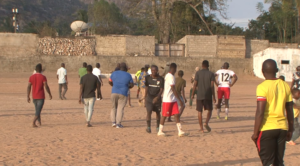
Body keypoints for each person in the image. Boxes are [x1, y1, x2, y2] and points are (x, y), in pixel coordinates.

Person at [252, 59, 294, 166]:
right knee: (279, 162)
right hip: (282, 129)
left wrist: (255, 133)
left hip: (267, 129)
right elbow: (289, 110)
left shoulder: (262, 87)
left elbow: (260, 112)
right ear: (276, 70)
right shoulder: (285, 85)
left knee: (268, 163)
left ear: (262, 71)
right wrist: (291, 129)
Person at [157, 63, 187, 137]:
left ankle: (180, 130)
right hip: (168, 99)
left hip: (172, 99)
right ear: (174, 68)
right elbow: (173, 89)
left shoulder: (169, 75)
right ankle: (160, 131)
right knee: (164, 115)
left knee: (176, 114)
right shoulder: (170, 76)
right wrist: (180, 99)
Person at [191, 60, 216, 133]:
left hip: (199, 95)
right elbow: (212, 86)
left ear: (202, 65)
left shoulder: (198, 73)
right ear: (208, 66)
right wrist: (214, 97)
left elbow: (195, 84)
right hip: (208, 95)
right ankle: (206, 122)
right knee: (210, 110)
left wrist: (192, 94)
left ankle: (201, 128)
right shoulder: (211, 74)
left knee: (199, 111)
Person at [109, 63, 134, 128]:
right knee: (120, 108)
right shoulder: (128, 75)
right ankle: (118, 124)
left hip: (114, 92)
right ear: (125, 67)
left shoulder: (114, 73)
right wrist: (127, 86)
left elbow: (110, 81)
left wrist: (114, 85)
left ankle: (113, 122)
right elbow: (132, 84)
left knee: (113, 107)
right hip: (123, 92)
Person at [144, 65, 164, 133]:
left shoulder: (161, 79)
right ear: (151, 71)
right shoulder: (147, 78)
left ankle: (158, 127)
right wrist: (145, 97)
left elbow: (161, 89)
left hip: (157, 99)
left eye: (155, 70)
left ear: (157, 70)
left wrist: (157, 97)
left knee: (158, 113)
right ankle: (148, 127)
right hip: (149, 98)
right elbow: (146, 87)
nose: (154, 71)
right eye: (152, 70)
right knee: (149, 112)